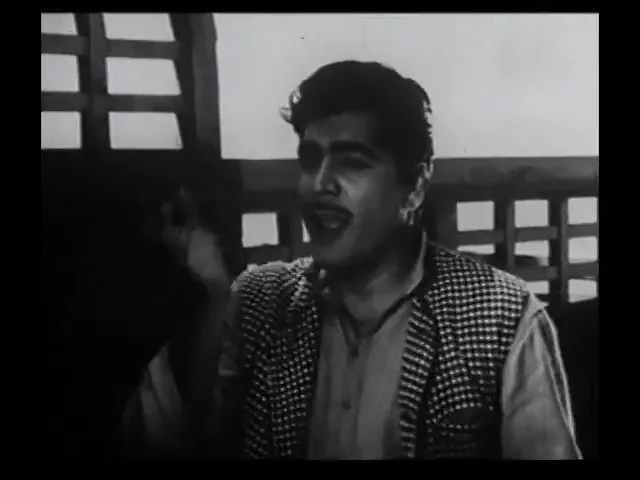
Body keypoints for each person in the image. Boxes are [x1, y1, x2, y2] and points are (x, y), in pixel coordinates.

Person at [122, 60, 582, 460]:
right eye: (310, 159)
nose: (319, 183)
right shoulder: (260, 299)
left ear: (414, 188)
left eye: (353, 162)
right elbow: (157, 439)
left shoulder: (502, 315)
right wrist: (213, 292)